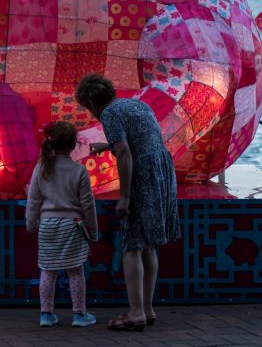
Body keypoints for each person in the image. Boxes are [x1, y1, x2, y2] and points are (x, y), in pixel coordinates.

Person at [75, 73, 180, 332]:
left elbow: (125, 152)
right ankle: (147, 309)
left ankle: (135, 313)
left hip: (142, 177)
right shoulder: (136, 104)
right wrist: (106, 145)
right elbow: (141, 141)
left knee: (132, 245)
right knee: (149, 246)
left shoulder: (109, 114)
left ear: (91, 101)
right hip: (162, 173)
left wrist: (124, 198)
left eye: (87, 107)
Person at [25, 121, 98, 328]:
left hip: (47, 225)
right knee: (75, 270)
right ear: (73, 145)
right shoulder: (79, 170)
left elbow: (33, 200)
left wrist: (31, 224)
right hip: (72, 225)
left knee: (48, 270)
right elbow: (88, 204)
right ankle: (79, 314)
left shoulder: (41, 168)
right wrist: (93, 230)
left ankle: (46, 314)